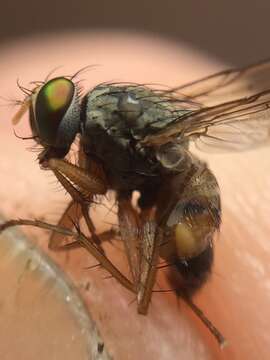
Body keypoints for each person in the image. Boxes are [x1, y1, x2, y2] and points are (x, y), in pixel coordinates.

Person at [0, 30, 269, 359]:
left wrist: (91, 236)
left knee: (140, 296)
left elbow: (94, 187)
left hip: (187, 204)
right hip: (162, 197)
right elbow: (91, 189)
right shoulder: (95, 131)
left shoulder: (106, 129)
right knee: (95, 260)